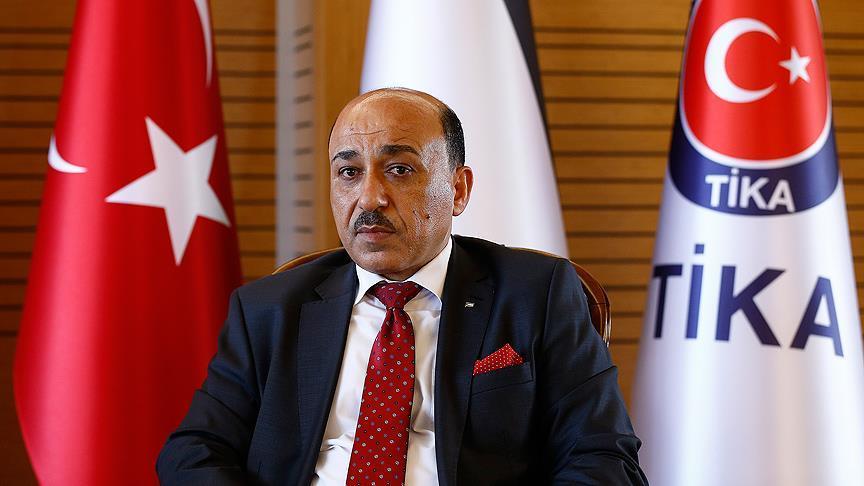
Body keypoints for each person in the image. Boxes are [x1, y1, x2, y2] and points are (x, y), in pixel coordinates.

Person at [157, 88, 648, 485]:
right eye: (349, 172)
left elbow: (604, 457)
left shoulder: (536, 295)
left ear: (458, 190)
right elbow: (194, 452)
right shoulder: (269, 308)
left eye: (399, 169)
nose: (369, 197)